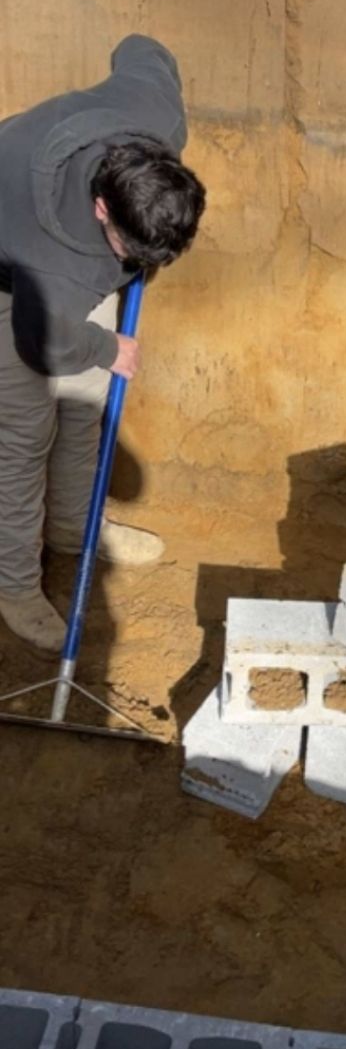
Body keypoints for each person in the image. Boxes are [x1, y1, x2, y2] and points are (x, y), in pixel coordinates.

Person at [0, 35, 205, 653]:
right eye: (133, 253)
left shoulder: (154, 114)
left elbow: (141, 47)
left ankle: (72, 529)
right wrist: (106, 347)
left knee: (83, 412)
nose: (145, 265)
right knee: (24, 436)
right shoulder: (52, 266)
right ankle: (13, 586)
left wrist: (101, 341)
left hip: (72, 285)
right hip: (11, 282)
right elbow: (52, 347)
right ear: (100, 208)